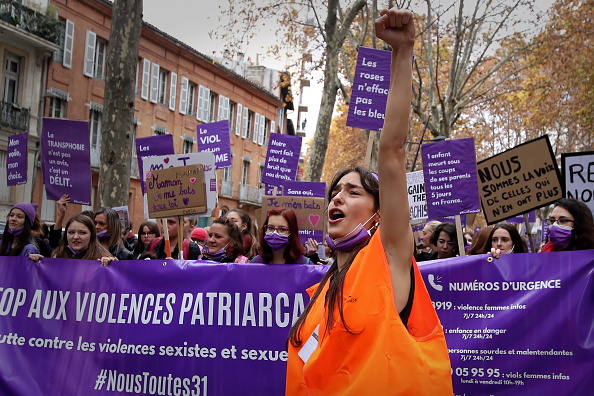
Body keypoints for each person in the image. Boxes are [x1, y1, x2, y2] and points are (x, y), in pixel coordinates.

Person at [286, 8, 452, 394]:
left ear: (380, 214)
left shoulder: (388, 257)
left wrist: (403, 51)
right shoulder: (324, 289)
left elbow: (391, 150)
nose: (337, 198)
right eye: (335, 191)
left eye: (353, 191)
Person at [29, 214, 115, 266]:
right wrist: (36, 263)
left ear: (91, 235)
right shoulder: (58, 255)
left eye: (82, 233)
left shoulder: (102, 256)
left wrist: (113, 265)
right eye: (71, 232)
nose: (76, 237)